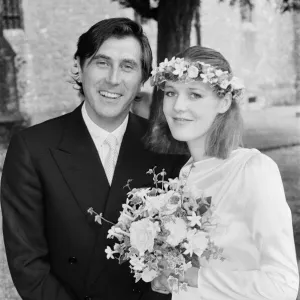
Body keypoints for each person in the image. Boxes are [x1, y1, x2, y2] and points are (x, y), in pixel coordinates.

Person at [0, 18, 187, 300]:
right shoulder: (31, 149)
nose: (113, 78)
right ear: (79, 66)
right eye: (102, 62)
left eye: (127, 66)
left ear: (143, 79)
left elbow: (176, 258)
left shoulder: (169, 148)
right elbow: (27, 264)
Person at [147, 46, 299, 299]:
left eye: (194, 94)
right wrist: (170, 276)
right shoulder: (184, 175)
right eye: (171, 92)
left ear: (224, 102)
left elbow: (282, 285)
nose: (178, 106)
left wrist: (192, 277)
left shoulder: (252, 170)